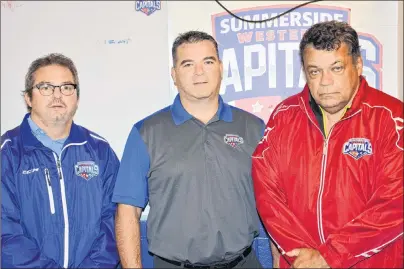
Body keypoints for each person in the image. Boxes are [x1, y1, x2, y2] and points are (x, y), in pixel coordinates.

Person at [252, 20, 403, 268]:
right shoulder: (284, 116)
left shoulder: (391, 117)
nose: (325, 81)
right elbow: (267, 192)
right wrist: (304, 257)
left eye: (336, 68)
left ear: (358, 65)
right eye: (315, 71)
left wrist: (329, 256)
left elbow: (395, 204)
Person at [112, 30, 266, 268]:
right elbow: (128, 212)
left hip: (243, 262)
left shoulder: (253, 128)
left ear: (221, 67)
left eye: (208, 61)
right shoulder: (146, 132)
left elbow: (276, 204)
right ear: (174, 74)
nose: (199, 72)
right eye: (187, 64)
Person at [1, 53, 120, 268]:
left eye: (66, 87)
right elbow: (5, 233)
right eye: (46, 88)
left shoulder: (99, 151)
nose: (57, 95)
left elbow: (114, 222)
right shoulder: (7, 153)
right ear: (28, 98)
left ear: (76, 97)